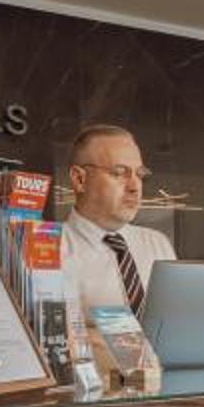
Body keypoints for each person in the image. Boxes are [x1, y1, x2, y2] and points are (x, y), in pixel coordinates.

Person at [60, 122, 176, 318]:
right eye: (120, 173)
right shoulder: (50, 249)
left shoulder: (157, 244)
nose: (134, 187)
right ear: (80, 179)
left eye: (140, 174)